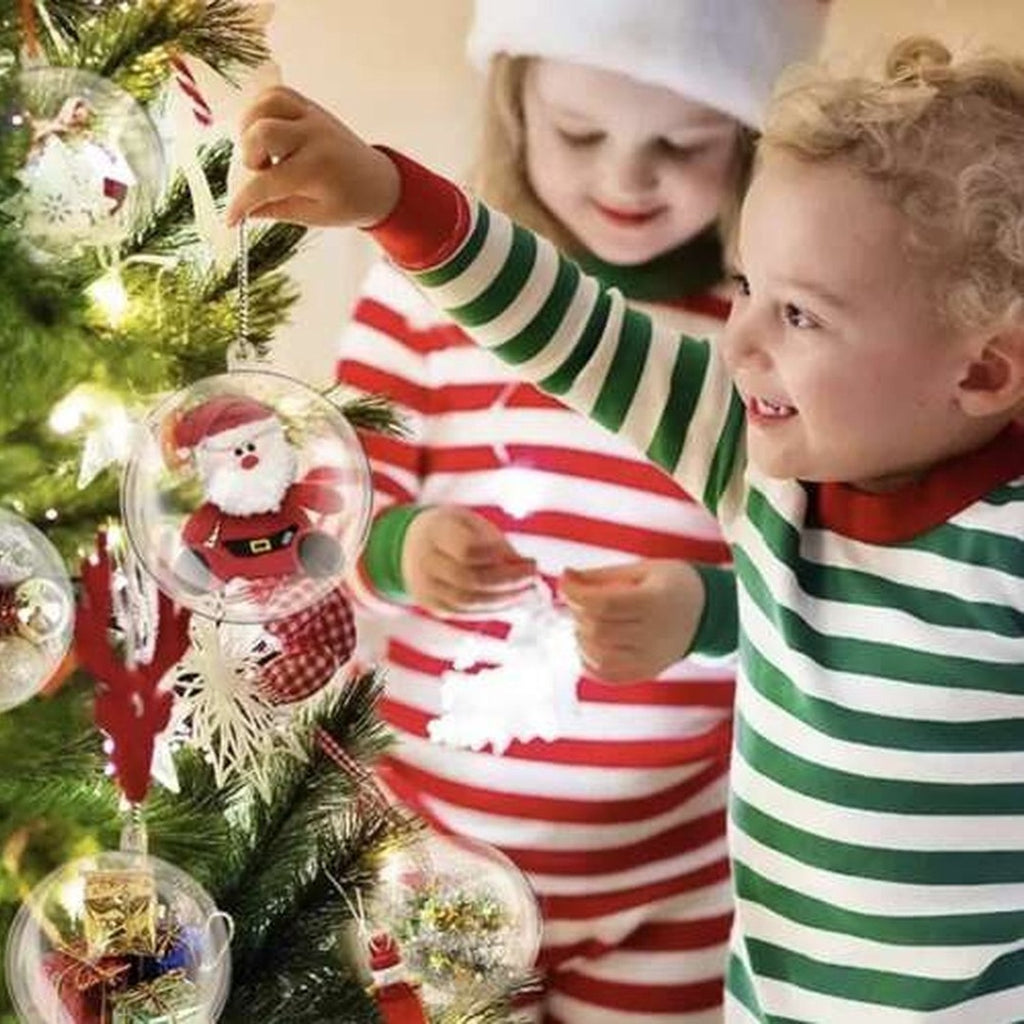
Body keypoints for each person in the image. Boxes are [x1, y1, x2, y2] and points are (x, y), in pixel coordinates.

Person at [228, 33, 1024, 1022]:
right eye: (745, 290)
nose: (737, 339)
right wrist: (395, 201)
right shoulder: (756, 462)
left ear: (983, 373)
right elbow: (575, 327)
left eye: (801, 317)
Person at [331, 2, 824, 1019]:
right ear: (516, 107)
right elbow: (327, 500)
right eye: (580, 133)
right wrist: (400, 542)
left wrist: (701, 610)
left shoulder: (772, 339)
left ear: (751, 142)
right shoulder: (423, 299)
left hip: (677, 880)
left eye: (681, 145)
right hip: (431, 862)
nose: (625, 179)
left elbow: (830, 574)